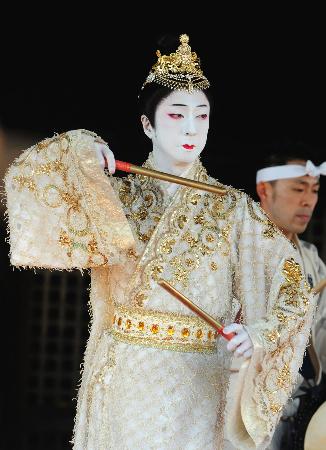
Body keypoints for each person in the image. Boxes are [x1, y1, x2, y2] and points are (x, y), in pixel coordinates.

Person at [4, 34, 317, 450]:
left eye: (201, 116)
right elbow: (29, 181)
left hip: (199, 387)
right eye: (176, 114)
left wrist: (257, 333)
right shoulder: (115, 199)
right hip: (124, 382)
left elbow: (293, 288)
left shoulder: (233, 209)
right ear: (147, 124)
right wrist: (82, 153)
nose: (191, 128)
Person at [255, 144, 326, 448]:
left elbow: (321, 329)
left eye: (314, 189)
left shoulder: (311, 260)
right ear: (264, 190)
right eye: (298, 188)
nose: (308, 201)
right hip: (247, 408)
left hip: (302, 408)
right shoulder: (237, 254)